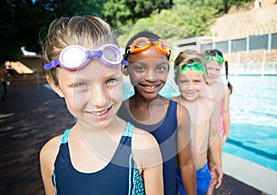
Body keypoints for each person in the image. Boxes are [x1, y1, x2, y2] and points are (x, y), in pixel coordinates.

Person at [39, 16, 163, 195]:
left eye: (110, 80)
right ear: (55, 85)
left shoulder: (143, 147)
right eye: (80, 85)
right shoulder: (50, 155)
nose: (100, 100)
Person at [117, 31, 196, 195]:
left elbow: (186, 163)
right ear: (125, 68)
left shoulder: (178, 114)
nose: (151, 77)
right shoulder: (116, 114)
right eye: (140, 68)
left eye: (160, 68)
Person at [172, 50, 223, 195]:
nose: (190, 87)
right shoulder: (170, 105)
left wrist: (217, 164)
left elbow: (213, 136)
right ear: (176, 80)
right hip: (175, 173)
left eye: (196, 81)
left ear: (204, 79)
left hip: (201, 170)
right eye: (184, 81)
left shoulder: (209, 106)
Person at [204, 49, 232, 146]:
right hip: (199, 132)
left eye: (217, 70)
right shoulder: (198, 87)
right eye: (209, 68)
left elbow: (225, 113)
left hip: (217, 132)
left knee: (214, 160)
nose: (213, 73)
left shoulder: (224, 89)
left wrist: (225, 134)